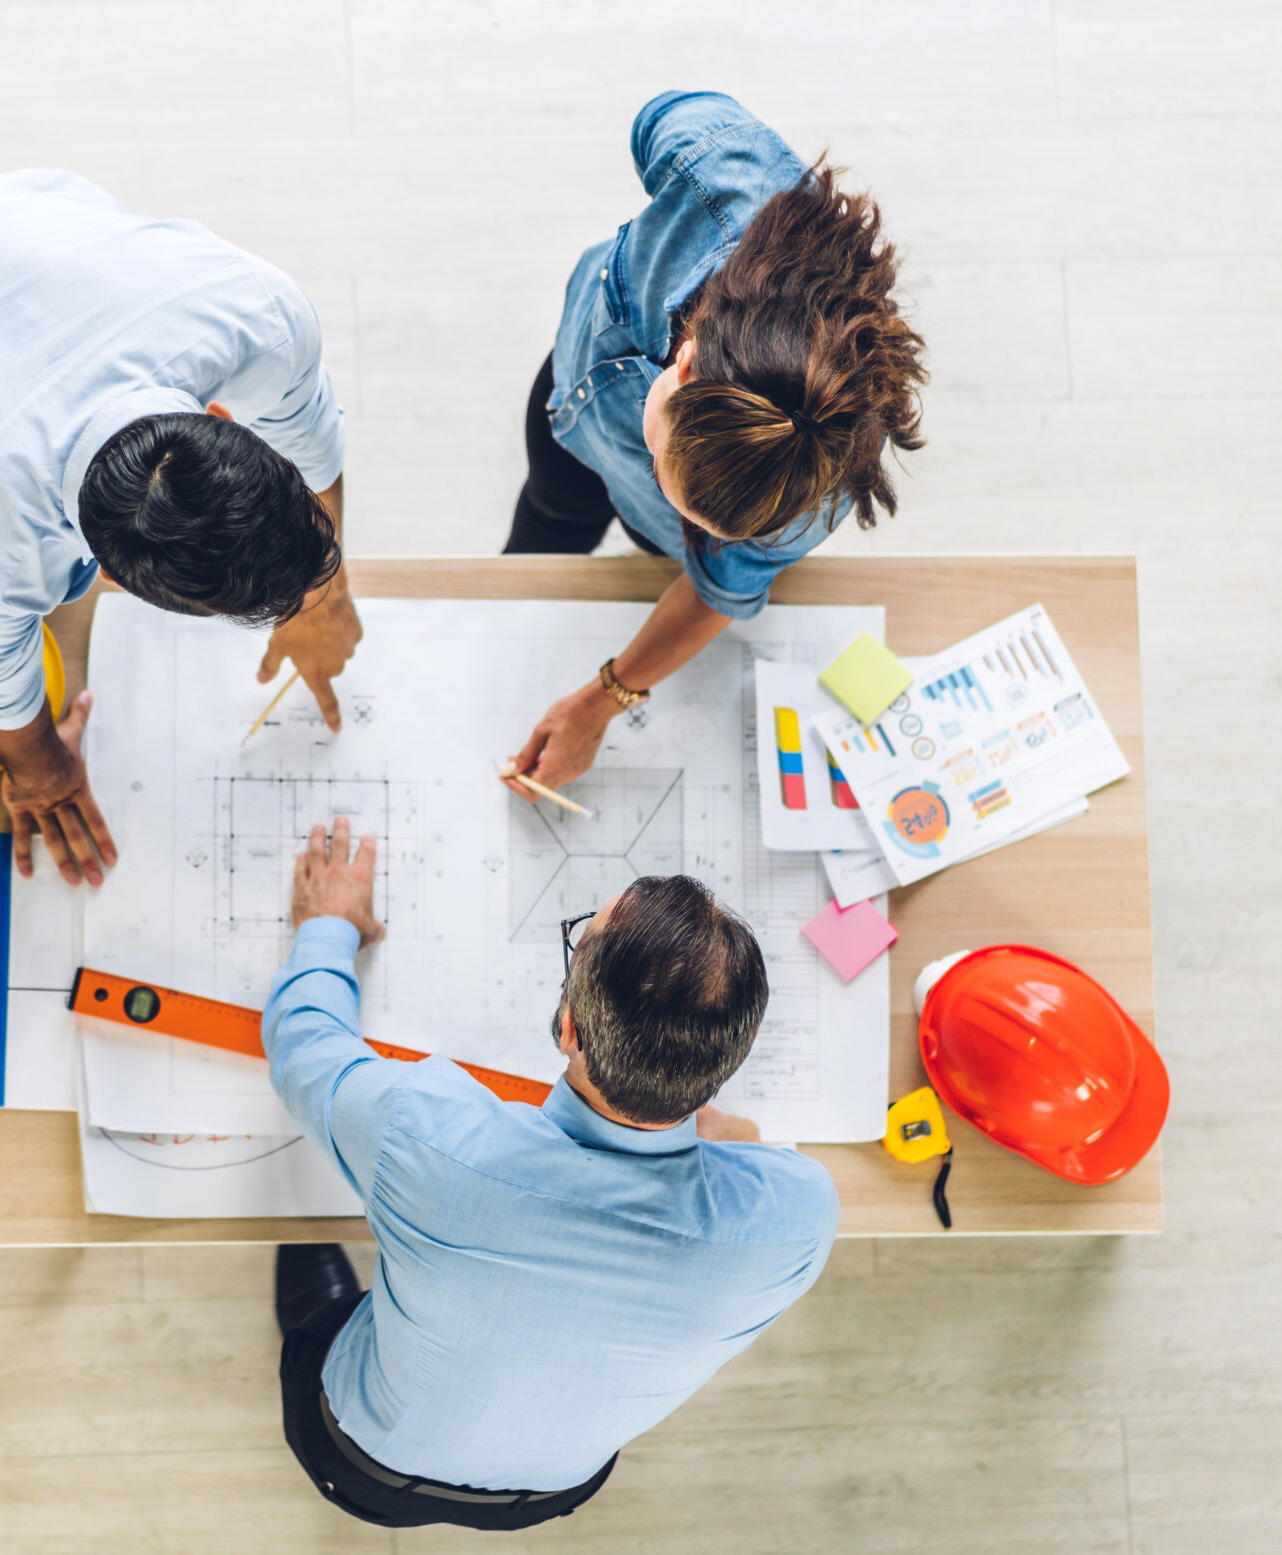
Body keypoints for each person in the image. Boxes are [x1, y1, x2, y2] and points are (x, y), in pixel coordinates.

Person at [261, 819, 838, 1531]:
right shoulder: (797, 1218)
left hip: (358, 1456)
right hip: (549, 1491)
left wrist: (326, 926)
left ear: (569, 1027)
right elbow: (756, 1157)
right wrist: (736, 1142)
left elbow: (303, 1046)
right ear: (730, 1055)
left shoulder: (432, 1138)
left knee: (327, 1323)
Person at [0, 170, 360, 886]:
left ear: (227, 422)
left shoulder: (255, 312)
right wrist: (44, 775)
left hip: (1, 223)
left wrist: (325, 595)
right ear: (103, 573)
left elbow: (314, 441)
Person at [502, 90, 927, 803]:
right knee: (548, 511)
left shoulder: (807, 485)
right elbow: (655, 122)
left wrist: (600, 699)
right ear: (688, 364)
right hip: (571, 404)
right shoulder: (723, 171)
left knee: (633, 536)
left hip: (625, 465)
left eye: (714, 529)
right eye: (673, 486)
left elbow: (717, 584)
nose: (696, 534)